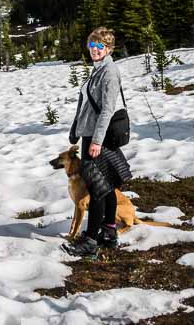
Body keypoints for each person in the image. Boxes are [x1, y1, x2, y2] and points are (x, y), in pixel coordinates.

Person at [62, 27, 132, 257]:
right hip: (90, 135)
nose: (94, 50)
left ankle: (91, 240)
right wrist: (76, 130)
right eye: (92, 46)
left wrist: (96, 141)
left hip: (97, 137)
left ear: (109, 48)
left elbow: (107, 110)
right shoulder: (98, 70)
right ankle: (109, 234)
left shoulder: (109, 72)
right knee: (107, 186)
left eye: (99, 46)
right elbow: (86, 104)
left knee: (96, 188)